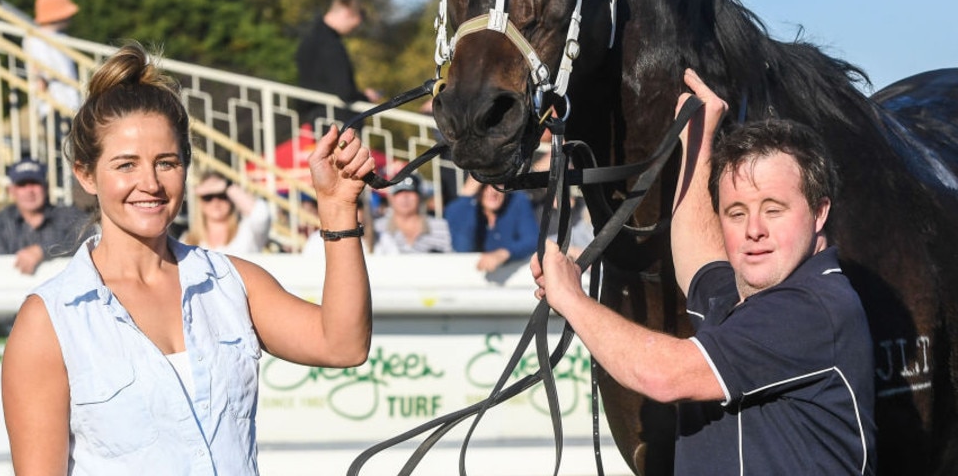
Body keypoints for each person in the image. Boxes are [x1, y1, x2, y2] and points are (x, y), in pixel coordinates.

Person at [0, 41, 375, 474]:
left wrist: (337, 207)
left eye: (166, 162)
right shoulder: (50, 320)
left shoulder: (232, 281)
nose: (150, 183)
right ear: (86, 173)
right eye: (125, 165)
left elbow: (343, 345)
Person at [531, 69, 876, 475]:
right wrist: (696, 142)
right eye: (736, 212)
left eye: (773, 209)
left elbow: (664, 375)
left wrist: (571, 297)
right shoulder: (743, 296)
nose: (754, 230)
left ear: (820, 212)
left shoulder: (814, 308)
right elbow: (698, 256)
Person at [0, 158, 91, 274]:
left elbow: (88, 243)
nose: (29, 191)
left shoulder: (70, 217)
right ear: (11, 190)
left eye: (35, 183)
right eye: (22, 185)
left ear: (46, 187)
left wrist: (43, 250)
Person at [295, 0, 380, 125]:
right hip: (333, 122)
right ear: (347, 12)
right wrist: (365, 97)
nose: (354, 27)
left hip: (310, 118)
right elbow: (344, 91)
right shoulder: (331, 45)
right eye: (356, 21)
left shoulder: (309, 38)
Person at [23, 0, 81, 136]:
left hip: (70, 102)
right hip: (53, 103)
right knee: (62, 146)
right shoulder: (35, 39)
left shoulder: (61, 38)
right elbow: (42, 69)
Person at [445, 182, 539, 272]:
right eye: (484, 185)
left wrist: (503, 254)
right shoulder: (464, 209)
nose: (493, 191)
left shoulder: (517, 201)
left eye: (498, 183)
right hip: (471, 280)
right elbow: (462, 248)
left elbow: (532, 240)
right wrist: (467, 196)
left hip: (513, 281)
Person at [181, 170, 273, 254]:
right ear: (200, 202)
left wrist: (227, 186)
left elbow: (262, 214)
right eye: (208, 197)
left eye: (222, 195)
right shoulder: (187, 240)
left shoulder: (247, 232)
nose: (215, 201)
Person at [373, 173, 452, 254]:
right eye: (399, 192)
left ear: (420, 196)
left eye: (410, 192)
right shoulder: (377, 228)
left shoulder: (440, 227)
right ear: (391, 198)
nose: (405, 197)